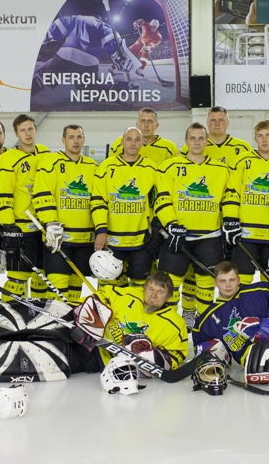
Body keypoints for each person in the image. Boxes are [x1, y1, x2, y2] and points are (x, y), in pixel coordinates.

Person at [155, 123, 237, 325]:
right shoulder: (169, 167)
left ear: (207, 141)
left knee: (206, 283)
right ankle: (170, 325)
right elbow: (162, 199)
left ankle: (204, 325)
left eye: (201, 138)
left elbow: (229, 197)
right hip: (177, 236)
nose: (197, 142)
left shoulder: (222, 169)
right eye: (193, 138)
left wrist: (230, 219)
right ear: (186, 141)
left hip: (209, 237)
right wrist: (171, 224)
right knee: (170, 283)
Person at [31, 124, 99, 303]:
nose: (75, 141)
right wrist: (50, 223)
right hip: (58, 238)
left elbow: (99, 199)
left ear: (84, 140)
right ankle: (54, 320)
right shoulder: (50, 162)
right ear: (63, 140)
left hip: (85, 240)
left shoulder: (92, 166)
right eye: (71, 137)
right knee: (57, 288)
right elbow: (42, 193)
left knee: (76, 287)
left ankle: (72, 320)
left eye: (79, 137)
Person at [193, 261, 269, 365]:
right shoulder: (206, 320)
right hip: (254, 362)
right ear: (215, 283)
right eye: (223, 281)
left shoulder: (262, 291)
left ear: (238, 280)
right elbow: (201, 351)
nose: (228, 285)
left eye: (232, 280)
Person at [0, 114, 51, 300]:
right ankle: (10, 312)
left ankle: (38, 313)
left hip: (44, 228)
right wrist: (9, 226)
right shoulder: (7, 159)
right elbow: (2, 194)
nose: (27, 133)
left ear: (36, 130)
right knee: (18, 278)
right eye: (23, 130)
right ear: (16, 133)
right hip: (22, 228)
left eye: (30, 129)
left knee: (42, 277)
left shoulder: (46, 154)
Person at [92, 126, 159, 288]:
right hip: (112, 241)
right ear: (122, 142)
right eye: (129, 139)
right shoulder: (107, 167)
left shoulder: (152, 168)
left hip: (141, 241)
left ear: (142, 143)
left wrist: (156, 230)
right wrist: (101, 230)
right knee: (109, 287)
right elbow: (98, 201)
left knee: (139, 288)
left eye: (137, 139)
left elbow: (158, 201)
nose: (133, 143)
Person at [229, 120, 269, 286]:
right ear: (255, 138)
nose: (264, 140)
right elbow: (232, 194)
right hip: (246, 235)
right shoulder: (241, 161)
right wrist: (231, 221)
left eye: (268, 135)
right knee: (242, 282)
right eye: (260, 136)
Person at [31, 14, 142, 99]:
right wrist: (119, 57)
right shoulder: (102, 25)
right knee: (89, 90)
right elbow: (111, 42)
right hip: (88, 61)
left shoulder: (75, 18)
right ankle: (125, 89)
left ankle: (25, 93)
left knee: (45, 78)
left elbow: (57, 28)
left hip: (66, 54)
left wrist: (42, 39)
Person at [93, 271, 188, 369]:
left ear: (168, 297)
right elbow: (102, 295)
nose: (153, 295)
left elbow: (177, 354)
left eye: (160, 292)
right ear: (145, 289)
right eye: (151, 289)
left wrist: (159, 359)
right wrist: (91, 310)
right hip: (96, 349)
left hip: (129, 369)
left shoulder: (176, 324)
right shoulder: (128, 295)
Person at [180, 106, 253, 167]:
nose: (217, 124)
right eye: (213, 120)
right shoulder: (191, 146)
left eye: (221, 120)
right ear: (207, 122)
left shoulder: (243, 147)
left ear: (228, 123)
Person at [108, 107, 179, 166]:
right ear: (137, 124)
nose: (146, 125)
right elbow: (111, 167)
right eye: (143, 121)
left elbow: (173, 173)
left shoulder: (169, 148)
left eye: (150, 121)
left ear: (156, 125)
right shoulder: (120, 144)